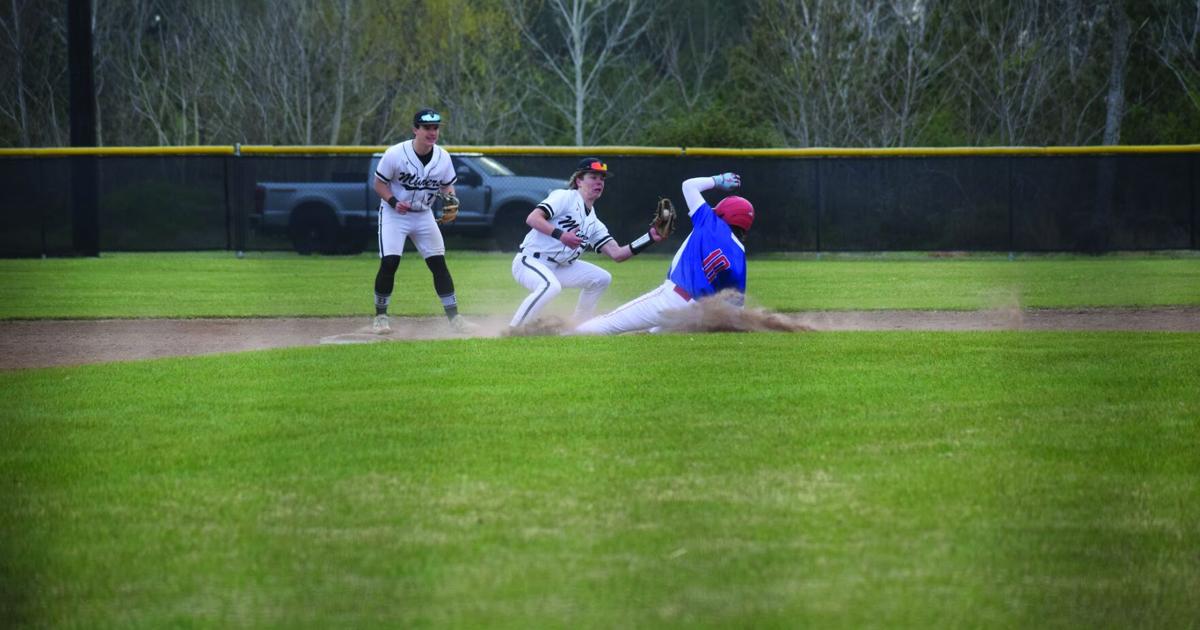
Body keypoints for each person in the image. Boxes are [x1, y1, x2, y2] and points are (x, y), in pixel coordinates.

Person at [574, 172, 752, 335]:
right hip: (696, 315)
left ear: (722, 214)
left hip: (673, 298)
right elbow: (735, 307)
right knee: (648, 336)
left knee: (609, 324)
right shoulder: (740, 258)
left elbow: (689, 185)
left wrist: (717, 180)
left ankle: (566, 336)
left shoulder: (711, 222)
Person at [509, 158, 668, 329]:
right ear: (579, 180)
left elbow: (617, 254)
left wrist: (649, 238)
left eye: (602, 179)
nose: (599, 181)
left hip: (559, 267)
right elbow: (532, 218)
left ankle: (578, 325)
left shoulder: (594, 222)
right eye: (593, 177)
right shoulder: (565, 197)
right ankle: (513, 330)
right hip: (530, 261)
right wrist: (561, 235)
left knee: (601, 278)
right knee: (550, 287)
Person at [371, 108, 476, 334]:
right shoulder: (395, 154)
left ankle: (455, 317)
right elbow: (379, 184)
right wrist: (392, 201)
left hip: (423, 214)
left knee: (438, 263)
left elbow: (447, 185)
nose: (432, 132)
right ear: (415, 130)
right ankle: (380, 316)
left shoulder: (443, 157)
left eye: (435, 128)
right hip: (394, 214)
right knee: (390, 262)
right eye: (427, 128)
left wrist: (451, 199)